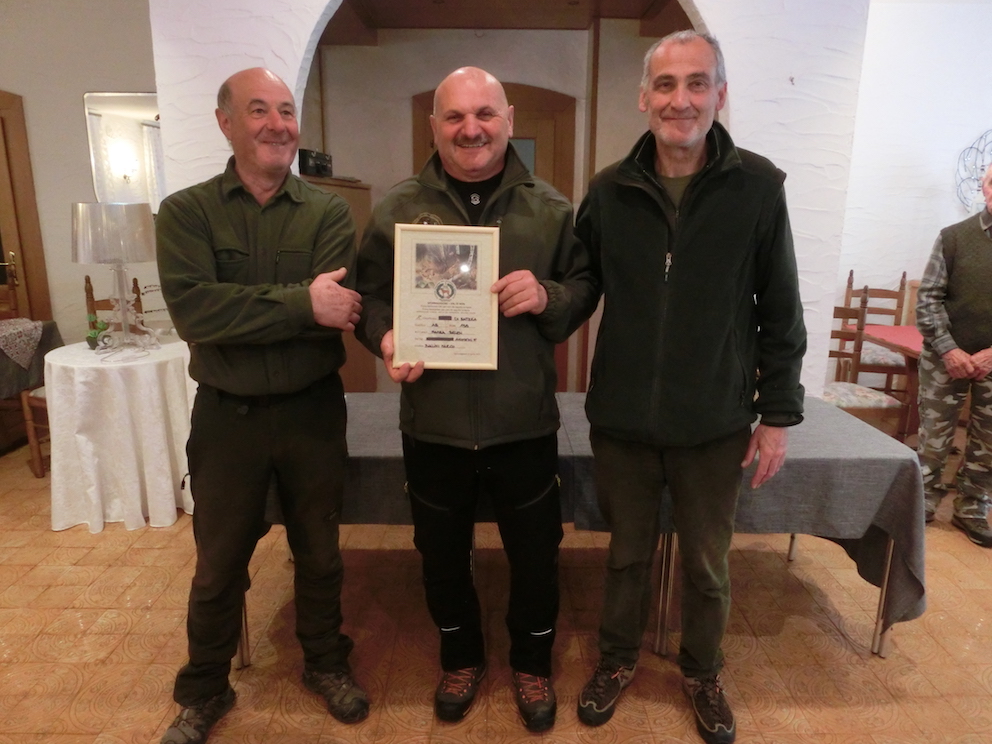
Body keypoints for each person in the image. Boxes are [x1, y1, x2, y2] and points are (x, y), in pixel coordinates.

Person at [573, 31, 807, 744]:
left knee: (707, 566)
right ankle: (617, 660)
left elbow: (782, 308)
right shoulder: (608, 191)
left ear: (720, 95)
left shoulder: (758, 187)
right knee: (626, 557)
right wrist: (535, 302)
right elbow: (580, 284)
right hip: (624, 419)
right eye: (667, 84)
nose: (681, 100)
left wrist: (777, 415)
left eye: (697, 83)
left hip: (714, 420)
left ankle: (703, 673)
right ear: (644, 98)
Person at [355, 66, 597, 733]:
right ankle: (460, 658)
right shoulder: (398, 209)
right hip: (432, 424)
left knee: (536, 558)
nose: (471, 129)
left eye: (485, 114)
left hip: (523, 424)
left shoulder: (550, 208)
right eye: (455, 116)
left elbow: (584, 287)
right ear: (433, 125)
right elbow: (368, 297)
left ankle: (532, 663)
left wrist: (547, 295)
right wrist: (385, 335)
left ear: (508, 120)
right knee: (440, 556)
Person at [155, 67, 369, 744]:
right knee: (219, 563)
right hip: (228, 418)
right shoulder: (186, 213)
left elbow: (337, 312)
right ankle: (204, 688)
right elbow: (196, 312)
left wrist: (252, 312)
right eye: (258, 110)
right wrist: (303, 303)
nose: (278, 124)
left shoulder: (329, 213)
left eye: (285, 110)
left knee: (320, 552)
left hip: (312, 411)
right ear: (225, 122)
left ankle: (326, 663)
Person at [917, 162, 992, 547]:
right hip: (945, 357)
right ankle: (922, 502)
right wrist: (950, 349)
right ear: (984, 187)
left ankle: (972, 507)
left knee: (989, 443)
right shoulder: (954, 237)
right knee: (933, 439)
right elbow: (928, 298)